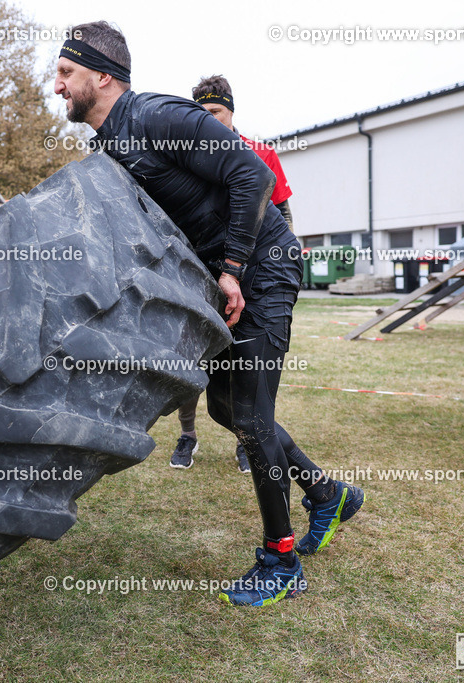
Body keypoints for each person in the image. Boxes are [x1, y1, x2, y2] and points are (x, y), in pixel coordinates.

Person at [54, 21, 363, 607]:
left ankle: (280, 559)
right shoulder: (111, 145)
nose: (57, 86)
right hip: (223, 284)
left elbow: (254, 174)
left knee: (247, 413)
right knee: (224, 407)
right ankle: (327, 494)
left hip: (261, 268)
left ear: (101, 75)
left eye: (66, 73)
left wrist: (233, 267)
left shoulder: (158, 117)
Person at [170, 75, 297, 473]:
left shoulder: (258, 152)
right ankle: (187, 435)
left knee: (249, 367)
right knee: (195, 357)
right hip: (205, 273)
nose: (208, 120)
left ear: (231, 111)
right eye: (200, 114)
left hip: (255, 274)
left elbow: (283, 214)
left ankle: (249, 440)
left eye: (215, 113)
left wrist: (281, 269)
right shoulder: (190, 154)